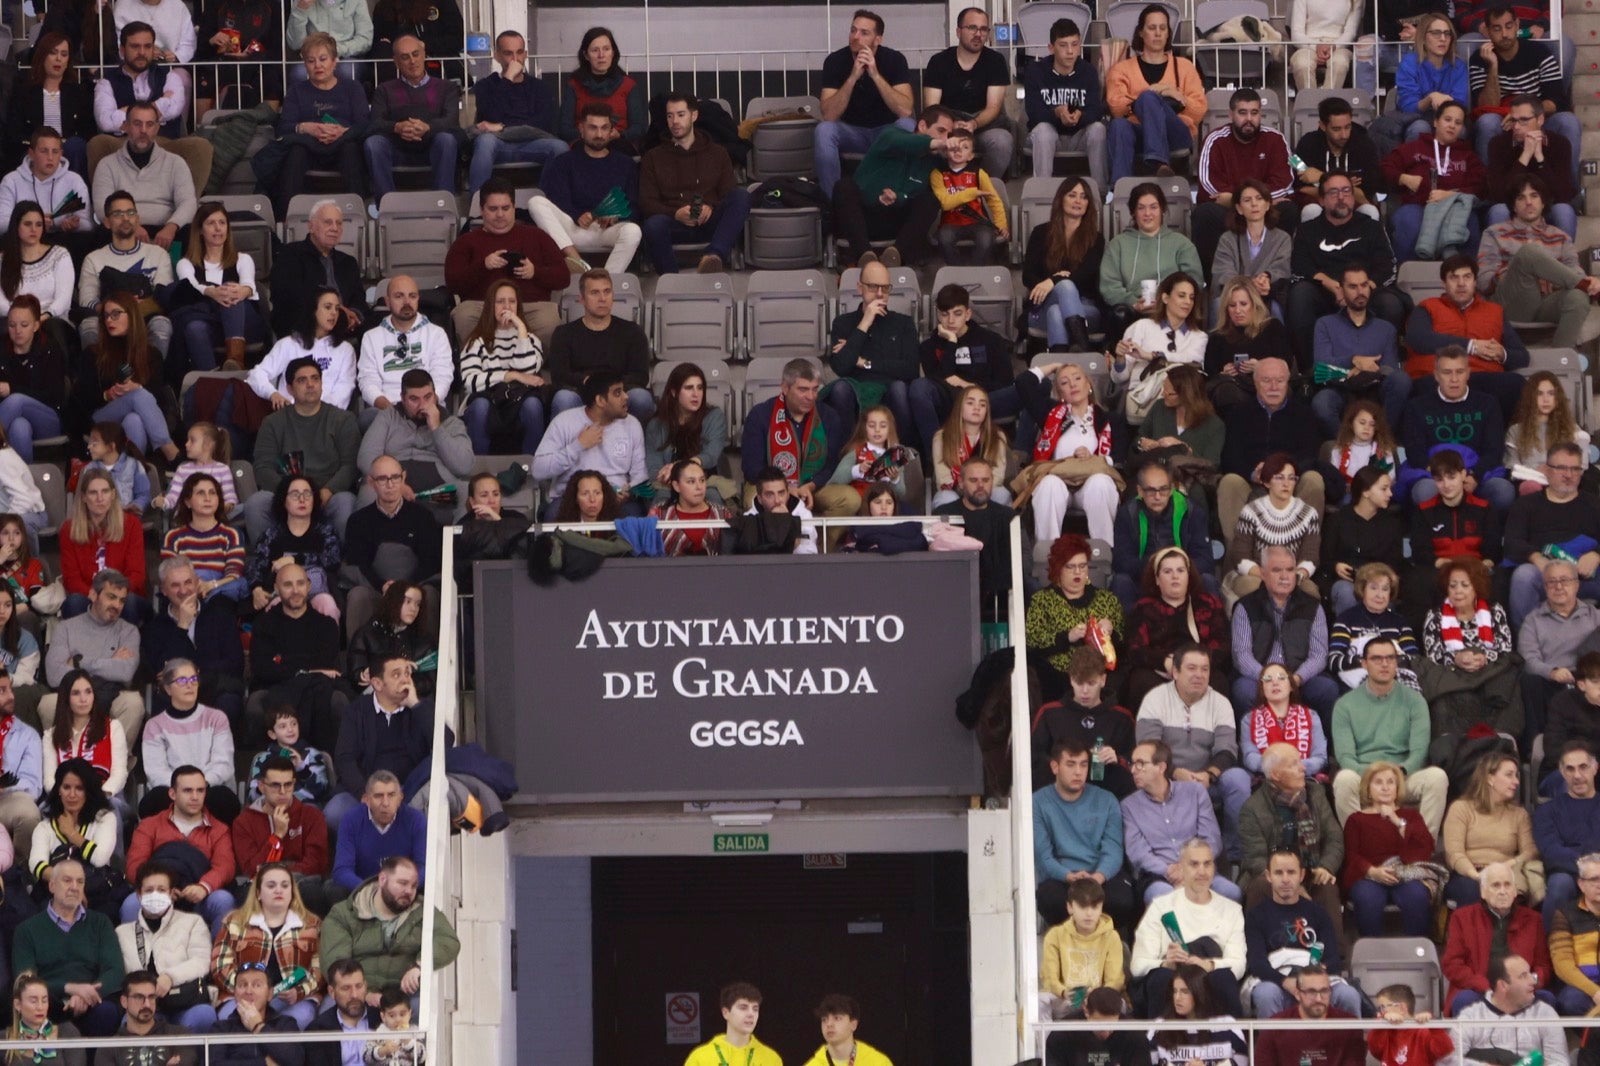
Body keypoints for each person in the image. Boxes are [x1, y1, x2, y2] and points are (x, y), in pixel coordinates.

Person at [1136, 644, 1250, 859]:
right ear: (1175, 672)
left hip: (1207, 781)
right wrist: (1174, 772)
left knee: (1238, 778)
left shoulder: (1221, 703)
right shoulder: (1155, 698)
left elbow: (1227, 751)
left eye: (1204, 669)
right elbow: (1148, 748)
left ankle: (1234, 856)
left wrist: (1209, 775)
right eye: (1191, 668)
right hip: (1168, 779)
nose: (1199, 675)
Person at [1284, 171, 1405, 375]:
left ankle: (1382, 370)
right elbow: (1300, 267)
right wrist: (1334, 286)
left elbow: (1387, 266)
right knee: (1299, 295)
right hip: (1324, 292)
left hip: (1365, 291)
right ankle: (1310, 371)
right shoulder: (1307, 230)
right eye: (1333, 192)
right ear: (1321, 200)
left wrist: (1361, 289)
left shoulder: (1371, 227)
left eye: (1346, 191)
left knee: (1391, 304)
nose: (1341, 197)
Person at [1329, 635, 1447, 824]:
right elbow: (1345, 756)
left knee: (1437, 777)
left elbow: (1419, 751)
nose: (1385, 664)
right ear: (1364, 664)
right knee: (1344, 779)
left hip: (1402, 775)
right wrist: (1374, 775)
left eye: (1391, 658)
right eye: (1377, 659)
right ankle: (1356, 845)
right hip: (1364, 775)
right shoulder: (1345, 705)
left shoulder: (1415, 701)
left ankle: (1421, 847)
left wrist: (1398, 773)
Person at [243, 360, 360, 544]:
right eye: (302, 380)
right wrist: (290, 494)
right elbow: (262, 467)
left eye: (315, 378)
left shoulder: (343, 419)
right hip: (285, 494)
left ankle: (337, 565)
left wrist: (327, 491)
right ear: (289, 388)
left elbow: (350, 465)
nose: (310, 384)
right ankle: (269, 562)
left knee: (346, 503)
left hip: (328, 495)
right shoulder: (272, 423)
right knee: (256, 504)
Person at [444, 178, 568, 350]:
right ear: (482, 210)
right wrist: (483, 266)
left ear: (514, 208)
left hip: (529, 307)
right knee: (464, 315)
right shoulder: (466, 242)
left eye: (505, 208)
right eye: (493, 209)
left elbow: (564, 277)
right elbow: (452, 283)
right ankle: (481, 365)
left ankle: (531, 364)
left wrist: (535, 272)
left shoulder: (537, 236)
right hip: (482, 307)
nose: (500, 214)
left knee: (549, 321)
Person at [1128, 838, 1246, 1016]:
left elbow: (1238, 964)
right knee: (1160, 978)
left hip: (1210, 980)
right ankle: (1160, 1041)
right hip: (1171, 980)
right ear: (1181, 868)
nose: (1202, 871)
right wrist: (1166, 963)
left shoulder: (1232, 910)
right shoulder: (1160, 907)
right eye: (1194, 864)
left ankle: (1230, 1041)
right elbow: (1138, 965)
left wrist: (1207, 964)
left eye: (1207, 864)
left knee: (1224, 977)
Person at [1406, 257, 1531, 423]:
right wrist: (1471, 346)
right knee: (1426, 386)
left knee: (1516, 384)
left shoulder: (1495, 311)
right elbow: (1418, 339)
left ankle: (1500, 441)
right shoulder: (1427, 307)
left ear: (1475, 282)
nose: (1461, 283)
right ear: (1444, 283)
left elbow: (1522, 356)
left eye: (1467, 277)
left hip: (1482, 376)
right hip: (1437, 378)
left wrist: (1502, 354)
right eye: (1454, 277)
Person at [637, 92, 750, 276]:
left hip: (709, 220)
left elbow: (728, 191)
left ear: (694, 116)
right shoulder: (653, 157)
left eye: (681, 115)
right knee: (653, 225)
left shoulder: (718, 152)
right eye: (670, 116)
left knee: (741, 196)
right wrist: (675, 213)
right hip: (673, 221)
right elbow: (647, 202)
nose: (675, 121)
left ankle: (713, 256)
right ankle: (671, 279)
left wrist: (709, 207)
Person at [320, 856, 459, 1002]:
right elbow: (335, 962)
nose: (409, 891)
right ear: (382, 879)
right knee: (328, 1017)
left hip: (404, 997)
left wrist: (420, 966)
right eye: (402, 883)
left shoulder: (424, 911)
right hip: (355, 995)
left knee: (420, 1009)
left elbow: (448, 940)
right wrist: (364, 995)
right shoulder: (344, 914)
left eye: (413, 885)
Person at [830, 105, 952, 269]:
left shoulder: (935, 161)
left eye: (948, 135)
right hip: (862, 219)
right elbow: (902, 142)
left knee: (930, 199)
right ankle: (865, 257)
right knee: (844, 186)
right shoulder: (891, 136)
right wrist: (937, 143)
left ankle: (895, 256)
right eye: (941, 131)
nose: (945, 139)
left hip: (897, 222)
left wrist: (900, 197)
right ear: (922, 126)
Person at [13, 859, 125, 1034]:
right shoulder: (27, 930)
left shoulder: (100, 923)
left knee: (108, 1012)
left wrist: (87, 995)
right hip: (48, 1003)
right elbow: (25, 980)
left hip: (92, 1004)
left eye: (80, 882)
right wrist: (69, 988)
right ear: (52, 886)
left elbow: (115, 971)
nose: (74, 887)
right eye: (67, 880)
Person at [1013, 362, 1119, 547]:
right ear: (1060, 393)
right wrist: (1054, 366)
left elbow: (1121, 459)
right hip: (1058, 480)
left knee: (1101, 483)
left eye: (1078, 378)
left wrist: (1096, 459)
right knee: (1048, 484)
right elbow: (1023, 382)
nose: (1072, 384)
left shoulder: (1110, 419)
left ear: (1089, 385)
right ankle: (1047, 553)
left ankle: (1104, 551)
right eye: (1064, 382)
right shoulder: (1050, 413)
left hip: (1090, 483)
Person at [1192, 89, 1295, 278]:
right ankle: (1213, 281)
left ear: (1260, 114)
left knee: (1289, 210)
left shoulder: (1275, 139)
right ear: (1231, 114)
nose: (1249, 119)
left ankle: (1275, 279)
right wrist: (1245, 203)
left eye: (1254, 113)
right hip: (1231, 212)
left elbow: (1284, 182)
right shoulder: (1215, 140)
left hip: (1256, 207)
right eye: (1242, 113)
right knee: (1205, 213)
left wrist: (1248, 201)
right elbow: (1209, 184)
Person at [1122, 739, 1241, 903]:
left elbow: (1211, 839)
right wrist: (1169, 871)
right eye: (1132, 764)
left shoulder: (1195, 792)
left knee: (1231, 893)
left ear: (1161, 767)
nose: (1134, 770)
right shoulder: (1129, 806)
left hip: (1200, 869)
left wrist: (1191, 867)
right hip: (1158, 876)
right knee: (1165, 897)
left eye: (1141, 763)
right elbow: (1138, 853)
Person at [1245, 850, 1361, 1018]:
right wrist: (1286, 981)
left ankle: (1351, 1044)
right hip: (1277, 980)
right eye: (1278, 873)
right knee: (1266, 995)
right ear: (1268, 876)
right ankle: (1270, 1044)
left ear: (1301, 875)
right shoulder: (1256, 915)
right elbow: (1257, 964)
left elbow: (1333, 960)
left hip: (1316, 979)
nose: (1285, 879)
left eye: (1291, 872)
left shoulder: (1318, 913)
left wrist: (1313, 981)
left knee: (1348, 995)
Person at [1237, 745, 1345, 923]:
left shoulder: (1316, 794)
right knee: (1260, 885)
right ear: (1276, 775)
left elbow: (1334, 837)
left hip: (1311, 870)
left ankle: (1335, 951)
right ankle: (1257, 947)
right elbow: (1255, 859)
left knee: (1327, 885)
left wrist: (1326, 866)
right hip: (1272, 875)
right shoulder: (1252, 808)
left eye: (1301, 762)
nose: (1303, 768)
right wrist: (1291, 884)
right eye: (1294, 764)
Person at [1229, 547, 1337, 725]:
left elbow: (1319, 655)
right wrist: (1269, 679)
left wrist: (1295, 680)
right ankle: (1248, 748)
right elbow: (1241, 656)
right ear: (1263, 574)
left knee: (1327, 689)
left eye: (1290, 570)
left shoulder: (1312, 606)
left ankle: (1322, 749)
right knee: (1243, 690)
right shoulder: (1246, 606)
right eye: (1277, 570)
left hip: (1299, 678)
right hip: (1259, 679)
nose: (1285, 576)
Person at [814, 9, 915, 198]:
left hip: (885, 132)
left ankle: (899, 197)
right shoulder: (835, 61)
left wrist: (875, 74)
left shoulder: (894, 60)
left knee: (908, 126)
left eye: (864, 33)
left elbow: (905, 110)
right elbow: (829, 115)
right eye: (853, 30)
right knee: (824, 130)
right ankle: (833, 203)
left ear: (878, 39)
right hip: (851, 132)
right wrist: (853, 77)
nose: (855, 37)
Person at [121, 766, 237, 931]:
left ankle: (217, 956)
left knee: (223, 900)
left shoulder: (219, 829)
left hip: (201, 895)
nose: (195, 797)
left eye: (200, 790)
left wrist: (204, 887)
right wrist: (161, 888)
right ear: (172, 794)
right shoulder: (149, 825)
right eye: (188, 791)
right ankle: (136, 956)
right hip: (157, 893)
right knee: (131, 903)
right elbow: (134, 866)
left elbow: (225, 866)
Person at [1033, 737, 1131, 931]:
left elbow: (1113, 848)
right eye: (1070, 764)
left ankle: (1109, 942)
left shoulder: (1107, 800)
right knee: (1049, 899)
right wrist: (1068, 876)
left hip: (1100, 875)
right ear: (1055, 767)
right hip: (1063, 877)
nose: (1078, 772)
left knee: (1123, 900)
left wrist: (1097, 878)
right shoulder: (1037, 802)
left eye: (1083, 765)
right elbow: (1043, 855)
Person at [528, 104, 638, 274]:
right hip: (572, 229)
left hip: (607, 231)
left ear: (611, 131)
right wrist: (576, 215)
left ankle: (606, 280)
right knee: (536, 202)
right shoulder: (564, 162)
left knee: (633, 230)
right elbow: (557, 199)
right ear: (581, 129)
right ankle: (577, 262)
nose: (599, 134)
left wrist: (616, 217)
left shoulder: (626, 164)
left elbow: (635, 206)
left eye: (604, 128)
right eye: (593, 128)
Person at [210, 863, 323, 1029]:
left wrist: (299, 991)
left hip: (292, 999)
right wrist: (249, 991)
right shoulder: (234, 922)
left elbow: (320, 969)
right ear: (258, 893)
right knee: (229, 1016)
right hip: (243, 996)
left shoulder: (312, 925)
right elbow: (219, 966)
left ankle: (279, 1056)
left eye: (285, 885)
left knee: (301, 1017)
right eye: (271, 885)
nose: (279, 890)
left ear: (292, 892)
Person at [248, 564, 347, 753]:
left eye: (300, 583)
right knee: (255, 703)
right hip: (274, 688)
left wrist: (284, 662)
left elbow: (326, 666)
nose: (295, 591)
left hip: (317, 689)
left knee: (338, 699)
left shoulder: (326, 625)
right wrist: (308, 670)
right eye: (288, 585)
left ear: (309, 586)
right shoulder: (264, 624)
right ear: (276, 589)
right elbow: (262, 668)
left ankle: (328, 765)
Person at [1400, 346, 1514, 509]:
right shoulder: (1416, 406)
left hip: (1476, 476)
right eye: (1447, 372)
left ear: (1468, 373)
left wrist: (1474, 476)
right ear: (1436, 375)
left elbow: (1494, 450)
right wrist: (1445, 479)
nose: (1454, 379)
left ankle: (1485, 533)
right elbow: (1415, 452)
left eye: (1459, 372)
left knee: (1503, 491)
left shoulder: (1488, 403)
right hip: (1435, 477)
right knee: (1424, 491)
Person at [1502, 440, 1600, 630]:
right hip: (1542, 575)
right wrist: (1537, 558)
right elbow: (1512, 542)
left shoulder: (1594, 504)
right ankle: (1526, 647)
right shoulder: (1526, 505)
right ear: (1546, 470)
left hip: (1585, 576)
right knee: (1523, 576)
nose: (1569, 475)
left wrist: (1596, 553)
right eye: (1561, 468)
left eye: (1575, 469)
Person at [328, 657, 435, 829]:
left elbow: (446, 742)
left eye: (407, 673)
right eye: (396, 674)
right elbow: (344, 758)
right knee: (334, 812)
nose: (405, 679)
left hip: (408, 792)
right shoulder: (356, 711)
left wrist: (415, 704)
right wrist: (366, 794)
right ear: (377, 683)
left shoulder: (421, 708)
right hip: (365, 791)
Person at [1104, 4, 1206, 183]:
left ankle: (1158, 161)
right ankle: (1118, 189)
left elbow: (1199, 110)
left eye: (1162, 28)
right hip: (1138, 134)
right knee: (1119, 125)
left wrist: (1179, 98)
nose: (1158, 33)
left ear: (1168, 33)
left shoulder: (1184, 66)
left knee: (1149, 98)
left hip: (1175, 133)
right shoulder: (1121, 69)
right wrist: (1156, 92)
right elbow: (1116, 107)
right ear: (1141, 33)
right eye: (1152, 28)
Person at [42, 577, 144, 752]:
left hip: (112, 692)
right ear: (92, 594)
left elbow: (126, 672)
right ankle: (65, 761)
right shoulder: (66, 628)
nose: (117, 605)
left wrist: (78, 663)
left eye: (122, 600)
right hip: (72, 693)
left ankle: (116, 764)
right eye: (111, 597)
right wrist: (111, 661)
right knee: (48, 704)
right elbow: (54, 675)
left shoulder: (129, 631)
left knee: (133, 703)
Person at [1342, 760, 1441, 937]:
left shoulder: (1411, 816)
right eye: (1378, 782)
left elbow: (1425, 848)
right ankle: (1372, 955)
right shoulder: (1356, 820)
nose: (1385, 787)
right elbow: (1352, 855)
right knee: (1367, 898)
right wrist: (1372, 871)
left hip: (1404, 873)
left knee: (1417, 895)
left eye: (1390, 782)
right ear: (1368, 789)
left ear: (1397, 788)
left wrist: (1397, 821)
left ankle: (1416, 953)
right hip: (1369, 876)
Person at [740, 358, 852, 515]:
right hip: (771, 486)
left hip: (814, 487)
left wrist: (810, 486)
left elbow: (832, 464)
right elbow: (752, 468)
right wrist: (784, 489)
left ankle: (820, 540)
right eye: (803, 390)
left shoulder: (829, 416)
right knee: (752, 498)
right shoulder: (761, 415)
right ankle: (770, 539)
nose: (811, 396)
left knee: (849, 499)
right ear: (785, 388)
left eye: (815, 389)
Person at [1470, 9, 1580, 168]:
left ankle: (1571, 190)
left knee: (1568, 121)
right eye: (1497, 29)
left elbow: (1557, 100)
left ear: (1517, 25)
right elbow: (1487, 106)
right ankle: (1488, 190)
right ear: (1488, 31)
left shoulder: (1539, 52)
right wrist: (1493, 66)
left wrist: (1523, 116)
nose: (1505, 34)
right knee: (1487, 122)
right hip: (1503, 123)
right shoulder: (1479, 59)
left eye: (1509, 26)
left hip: (1537, 120)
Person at [113, 865, 217, 1032]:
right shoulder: (122, 932)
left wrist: (170, 977)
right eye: (149, 890)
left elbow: (202, 962)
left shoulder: (192, 922)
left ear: (171, 894)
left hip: (184, 1003)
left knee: (204, 1014)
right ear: (139, 895)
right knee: (128, 1020)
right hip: (143, 1007)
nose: (155, 894)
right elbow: (120, 974)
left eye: (161, 890)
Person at [1123, 547, 1230, 708]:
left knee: (1219, 683)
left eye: (1180, 570)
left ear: (1188, 575)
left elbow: (1222, 645)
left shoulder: (1208, 604)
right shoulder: (1143, 608)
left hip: (1198, 668)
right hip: (1160, 670)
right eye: (1167, 571)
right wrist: (1164, 662)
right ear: (1157, 578)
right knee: (1141, 683)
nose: (1175, 576)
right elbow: (1135, 650)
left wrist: (1193, 664)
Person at [1309, 264, 1409, 437]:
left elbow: (1389, 369)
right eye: (1353, 287)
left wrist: (1362, 371)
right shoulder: (1325, 324)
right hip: (1340, 389)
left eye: (1364, 285)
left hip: (1375, 388)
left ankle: (1383, 442)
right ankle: (1345, 448)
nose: (1360, 291)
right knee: (1322, 402)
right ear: (1341, 289)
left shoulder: (1385, 328)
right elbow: (1321, 368)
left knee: (1401, 380)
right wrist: (1354, 360)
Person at [74, 194, 174, 366]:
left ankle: (152, 382)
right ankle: (99, 384)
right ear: (106, 222)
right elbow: (87, 300)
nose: (125, 218)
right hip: (107, 319)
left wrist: (131, 311)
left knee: (162, 324)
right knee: (89, 326)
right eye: (118, 214)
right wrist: (117, 312)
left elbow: (162, 296)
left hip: (145, 318)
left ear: (138, 219)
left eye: (130, 212)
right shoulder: (94, 258)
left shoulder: (158, 254)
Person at [1099, 182, 1203, 346]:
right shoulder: (1118, 244)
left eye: (1153, 207)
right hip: (1132, 310)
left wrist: (1168, 301)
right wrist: (1134, 303)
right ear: (1133, 212)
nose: (1148, 213)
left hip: (1171, 308)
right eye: (1141, 208)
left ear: (1162, 210)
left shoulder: (1182, 244)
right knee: (1118, 314)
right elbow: (1109, 285)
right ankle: (1118, 365)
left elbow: (1194, 282)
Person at [1382, 101, 1486, 264]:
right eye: (1447, 119)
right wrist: (1403, 178)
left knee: (1470, 221)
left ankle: (1465, 276)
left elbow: (1479, 186)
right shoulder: (1414, 148)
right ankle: (1405, 275)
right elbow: (1385, 167)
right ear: (1436, 122)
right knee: (1408, 220)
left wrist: (1451, 195)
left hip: (1453, 208)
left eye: (1457, 123)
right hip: (1417, 206)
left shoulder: (1468, 156)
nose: (1452, 125)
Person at [530, 371, 646, 519]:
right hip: (572, 499)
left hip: (617, 500)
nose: (626, 397)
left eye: (624, 391)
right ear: (600, 401)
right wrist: (578, 445)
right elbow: (538, 470)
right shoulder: (564, 422)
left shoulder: (632, 424)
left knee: (636, 519)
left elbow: (640, 475)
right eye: (618, 393)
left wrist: (630, 491)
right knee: (553, 516)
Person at [1443, 861, 1554, 1015]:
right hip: (1478, 990)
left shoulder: (1534, 920)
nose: (1503, 891)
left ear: (1515, 891)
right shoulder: (1462, 918)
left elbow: (1543, 966)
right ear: (1483, 892)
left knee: (1546, 999)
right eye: (1496, 886)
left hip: (1521, 990)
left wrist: (1530, 981)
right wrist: (1486, 986)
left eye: (1507, 885)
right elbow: (1452, 965)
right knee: (1464, 1000)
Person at [356, 370, 472, 516]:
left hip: (435, 496)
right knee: (368, 492)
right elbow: (366, 458)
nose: (422, 405)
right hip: (391, 490)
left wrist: (437, 428)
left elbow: (464, 466)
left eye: (428, 397)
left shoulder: (451, 422)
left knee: (465, 491)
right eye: (414, 399)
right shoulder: (389, 416)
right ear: (402, 398)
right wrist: (397, 486)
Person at [363, 36, 462, 206]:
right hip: (397, 148)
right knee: (374, 143)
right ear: (396, 61)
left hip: (433, 146)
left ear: (424, 54)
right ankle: (387, 206)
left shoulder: (447, 87)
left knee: (447, 139)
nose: (412, 61)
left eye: (416, 54)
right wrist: (397, 127)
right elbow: (374, 124)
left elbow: (451, 121)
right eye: (405, 57)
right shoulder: (384, 90)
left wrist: (427, 127)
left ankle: (442, 204)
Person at [170, 202, 266, 377]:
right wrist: (210, 292)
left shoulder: (242, 259)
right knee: (194, 328)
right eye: (211, 223)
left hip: (245, 324)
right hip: (211, 323)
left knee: (231, 293)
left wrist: (242, 291)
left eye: (222, 223)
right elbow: (189, 286)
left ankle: (235, 361)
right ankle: (211, 379)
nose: (217, 228)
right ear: (200, 230)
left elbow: (248, 285)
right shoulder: (185, 263)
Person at [466, 31, 566, 197]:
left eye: (519, 52)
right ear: (497, 55)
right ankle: (477, 208)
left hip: (533, 143)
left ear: (525, 54)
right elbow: (490, 115)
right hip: (497, 144)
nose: (515, 59)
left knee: (560, 148)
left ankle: (547, 204)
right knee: (484, 142)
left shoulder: (540, 87)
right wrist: (507, 80)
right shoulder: (485, 86)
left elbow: (542, 125)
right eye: (508, 53)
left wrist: (502, 128)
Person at [825, 260, 919, 438]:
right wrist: (865, 322)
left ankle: (904, 452)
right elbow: (841, 367)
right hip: (856, 391)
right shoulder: (843, 323)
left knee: (899, 388)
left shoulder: (903, 323)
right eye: (873, 287)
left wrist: (863, 362)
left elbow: (910, 370)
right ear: (860, 288)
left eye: (885, 288)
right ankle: (849, 452)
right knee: (840, 389)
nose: (880, 294)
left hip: (891, 391)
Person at [1025, 534, 1123, 702]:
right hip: (1057, 676)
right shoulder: (1042, 600)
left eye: (1082, 566)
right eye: (1070, 567)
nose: (1078, 572)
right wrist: (1067, 637)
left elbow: (1122, 645)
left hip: (1100, 676)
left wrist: (1111, 633)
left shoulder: (1107, 600)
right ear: (1057, 569)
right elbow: (1033, 643)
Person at [90, 104, 195, 261]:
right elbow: (102, 207)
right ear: (125, 126)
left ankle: (180, 283)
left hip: (166, 231)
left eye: (150, 124)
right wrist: (131, 226)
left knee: (191, 231)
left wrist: (172, 227)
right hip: (124, 227)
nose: (143, 130)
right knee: (103, 231)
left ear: (157, 128)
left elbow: (188, 202)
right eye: (137, 124)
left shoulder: (175, 163)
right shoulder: (107, 164)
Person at [545, 268, 651, 421]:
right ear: (581, 298)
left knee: (641, 398)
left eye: (607, 292)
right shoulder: (564, 333)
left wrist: (611, 388)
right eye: (594, 293)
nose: (602, 298)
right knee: (563, 399)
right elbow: (559, 376)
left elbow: (640, 375)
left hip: (619, 392)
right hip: (580, 392)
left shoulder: (632, 331)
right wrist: (588, 382)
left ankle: (637, 444)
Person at [138, 658, 238, 821]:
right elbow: (156, 772)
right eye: (182, 680)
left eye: (193, 679)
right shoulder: (154, 725)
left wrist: (198, 788)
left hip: (209, 787)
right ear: (168, 688)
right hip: (174, 791)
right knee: (153, 801)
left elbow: (223, 764)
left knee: (223, 799)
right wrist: (183, 790)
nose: (189, 684)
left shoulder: (217, 718)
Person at [922, 6, 1012, 180]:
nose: (978, 34)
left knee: (1002, 141)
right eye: (972, 28)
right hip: (948, 125)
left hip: (983, 125)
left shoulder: (996, 61)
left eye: (983, 29)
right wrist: (951, 125)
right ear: (958, 31)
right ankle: (943, 185)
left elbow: (994, 107)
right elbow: (932, 107)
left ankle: (984, 186)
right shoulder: (938, 62)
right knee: (930, 138)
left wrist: (974, 124)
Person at [1111, 456, 1215, 608]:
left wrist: (1176, 569)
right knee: (1121, 582)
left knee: (1208, 580)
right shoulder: (1127, 513)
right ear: (1140, 490)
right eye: (1151, 490)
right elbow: (1122, 562)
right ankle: (1128, 632)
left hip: (1182, 580)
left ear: (1172, 488)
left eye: (1163, 489)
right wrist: (1159, 567)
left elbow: (1205, 561)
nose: (1158, 496)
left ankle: (1210, 631)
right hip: (1143, 580)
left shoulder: (1191, 511)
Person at [1220, 455, 1320, 608]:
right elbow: (1240, 556)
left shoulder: (1309, 514)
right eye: (1279, 478)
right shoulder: (1251, 512)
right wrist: (1270, 577)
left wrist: (1292, 577)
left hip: (1293, 577)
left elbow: (1311, 557)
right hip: (1256, 575)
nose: (1286, 483)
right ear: (1267, 482)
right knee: (1253, 588)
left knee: (1310, 590)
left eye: (1291, 478)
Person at [232, 756, 331, 907]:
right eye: (275, 785)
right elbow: (251, 868)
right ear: (261, 786)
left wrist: (282, 876)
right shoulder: (244, 822)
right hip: (261, 886)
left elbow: (317, 863)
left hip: (301, 883)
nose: (283, 791)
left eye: (288, 784)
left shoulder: (312, 816)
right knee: (246, 895)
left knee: (312, 892)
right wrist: (277, 836)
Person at [1443, 754, 1541, 907]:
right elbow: (1454, 853)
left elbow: (1530, 851)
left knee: (1513, 891)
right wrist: (1477, 876)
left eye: (1516, 776)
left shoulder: (1519, 814)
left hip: (1505, 873)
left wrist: (1507, 865)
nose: (1516, 781)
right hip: (1468, 874)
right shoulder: (1461, 808)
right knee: (1471, 890)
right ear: (1490, 778)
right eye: (1509, 775)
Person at [1519, 560, 1600, 746]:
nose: (1558, 586)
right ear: (1544, 587)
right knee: (1528, 680)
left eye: (1565, 580)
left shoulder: (1595, 616)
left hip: (1589, 681)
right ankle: (1535, 745)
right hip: (1552, 683)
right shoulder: (1533, 621)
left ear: (1577, 585)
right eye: (1551, 582)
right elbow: (1528, 659)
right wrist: (1552, 672)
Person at [1021, 176, 1104, 352]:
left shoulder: (1096, 239)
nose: (1078, 201)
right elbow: (1027, 276)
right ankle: (1081, 349)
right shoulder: (1040, 233)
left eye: (1083, 197)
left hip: (1086, 307)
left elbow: (1085, 275)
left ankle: (1061, 364)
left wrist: (1052, 281)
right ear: (1061, 199)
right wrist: (1058, 280)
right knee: (1062, 292)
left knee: (1057, 312)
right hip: (1042, 306)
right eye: (1072, 195)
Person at [1369, 12, 1470, 157]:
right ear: (1422, 38)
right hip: (1416, 118)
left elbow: (1460, 104)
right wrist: (1430, 98)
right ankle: (1413, 172)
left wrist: (1443, 108)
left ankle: (1451, 174)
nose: (1443, 39)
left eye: (1447, 34)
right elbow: (1408, 107)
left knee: (1458, 128)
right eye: (1436, 33)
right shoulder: (1409, 63)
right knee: (1420, 127)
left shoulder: (1458, 66)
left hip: (1448, 117)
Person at [266, 197, 368, 340]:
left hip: (344, 330)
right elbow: (286, 298)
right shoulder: (290, 255)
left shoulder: (348, 262)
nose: (334, 228)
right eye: (328, 222)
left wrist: (353, 315)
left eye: (339, 223)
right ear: (311, 226)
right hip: (303, 328)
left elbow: (359, 299)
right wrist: (335, 312)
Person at [356, 276, 452, 426]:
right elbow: (368, 382)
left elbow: (443, 377)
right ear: (387, 301)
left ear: (418, 299)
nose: (407, 302)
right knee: (368, 418)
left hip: (427, 408)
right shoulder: (371, 337)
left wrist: (423, 405)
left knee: (444, 417)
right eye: (399, 296)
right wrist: (392, 411)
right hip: (388, 412)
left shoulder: (436, 334)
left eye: (412, 296)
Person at [1021, 19, 1106, 189]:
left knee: (1098, 128)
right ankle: (1042, 192)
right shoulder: (1035, 71)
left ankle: (1101, 193)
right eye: (1063, 45)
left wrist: (1081, 115)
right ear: (1051, 47)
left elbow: (1096, 110)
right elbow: (1033, 113)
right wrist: (1057, 113)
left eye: (1074, 45)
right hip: (1047, 135)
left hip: (1079, 135)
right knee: (1043, 131)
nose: (1070, 51)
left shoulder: (1088, 71)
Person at [1484, 98, 1579, 239]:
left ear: (1540, 120)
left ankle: (1562, 260)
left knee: (1564, 211)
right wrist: (1525, 156)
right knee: (1498, 211)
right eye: (1514, 120)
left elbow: (1563, 194)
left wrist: (1540, 157)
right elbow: (1498, 195)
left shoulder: (1560, 143)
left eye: (1523, 120)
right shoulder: (1498, 144)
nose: (1516, 126)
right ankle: (1505, 261)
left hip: (1547, 206)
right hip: (1513, 206)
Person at [249, 288, 356, 413]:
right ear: (313, 310)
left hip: (328, 419)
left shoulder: (345, 350)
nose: (334, 313)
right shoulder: (288, 344)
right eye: (328, 307)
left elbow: (344, 390)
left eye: (337, 308)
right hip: (290, 419)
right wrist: (272, 394)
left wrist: (317, 413)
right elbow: (256, 375)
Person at [931, 458, 1013, 615]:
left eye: (985, 480)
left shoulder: (1008, 517)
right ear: (961, 483)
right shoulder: (943, 515)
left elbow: (1024, 559)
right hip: (952, 590)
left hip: (1000, 589)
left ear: (992, 482)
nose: (980, 485)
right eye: (974, 480)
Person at [7, 35, 96, 179]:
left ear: (68, 61)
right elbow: (15, 132)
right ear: (42, 56)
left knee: (75, 146)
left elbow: (88, 131)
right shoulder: (25, 93)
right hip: (37, 149)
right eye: (53, 53)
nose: (58, 59)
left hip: (68, 149)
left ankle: (76, 197)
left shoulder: (79, 92)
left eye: (64, 54)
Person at [1535, 743, 1600, 931]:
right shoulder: (1547, 811)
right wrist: (1587, 868)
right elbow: (1550, 849)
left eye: (1583, 767)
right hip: (1568, 873)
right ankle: (1551, 951)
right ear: (1562, 773)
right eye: (1570, 769)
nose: (1577, 776)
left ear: (1595, 768)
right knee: (1559, 884)